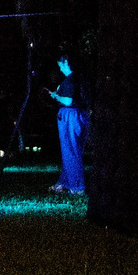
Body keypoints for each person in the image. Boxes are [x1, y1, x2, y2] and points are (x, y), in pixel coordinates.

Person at [47, 53, 89, 195]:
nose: (60, 69)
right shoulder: (80, 78)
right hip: (80, 115)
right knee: (72, 150)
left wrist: (56, 96)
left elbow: (69, 101)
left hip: (70, 116)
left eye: (61, 65)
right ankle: (65, 182)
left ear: (67, 63)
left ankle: (77, 186)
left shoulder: (70, 81)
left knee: (71, 150)